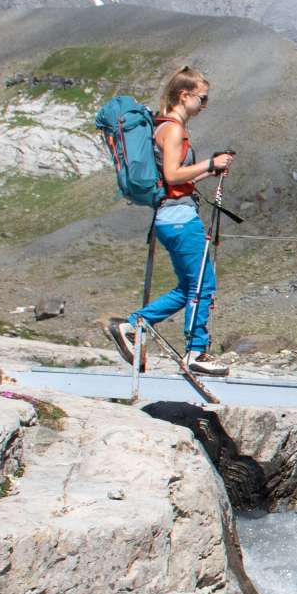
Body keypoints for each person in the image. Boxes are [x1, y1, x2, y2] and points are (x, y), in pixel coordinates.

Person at [109, 66, 234, 376]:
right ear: (185, 95)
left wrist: (209, 170)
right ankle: (196, 352)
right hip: (179, 218)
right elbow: (173, 175)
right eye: (202, 99)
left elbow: (175, 180)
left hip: (170, 215)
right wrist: (210, 163)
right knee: (204, 285)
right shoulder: (174, 130)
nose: (205, 106)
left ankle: (133, 325)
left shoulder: (164, 126)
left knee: (188, 286)